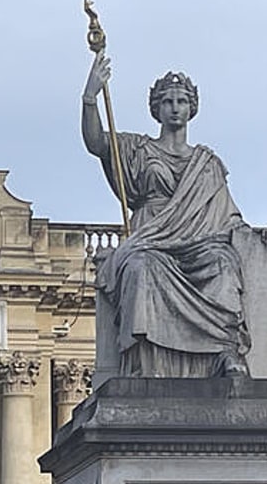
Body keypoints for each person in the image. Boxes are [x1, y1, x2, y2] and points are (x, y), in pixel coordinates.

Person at [82, 51, 252, 378]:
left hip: (200, 242)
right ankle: (145, 361)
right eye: (168, 101)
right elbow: (96, 143)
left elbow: (229, 217)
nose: (175, 107)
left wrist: (255, 237)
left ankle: (226, 353)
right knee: (139, 268)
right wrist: (91, 97)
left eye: (182, 101)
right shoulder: (137, 148)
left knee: (224, 265)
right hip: (151, 239)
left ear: (192, 108)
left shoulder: (208, 163)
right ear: (156, 108)